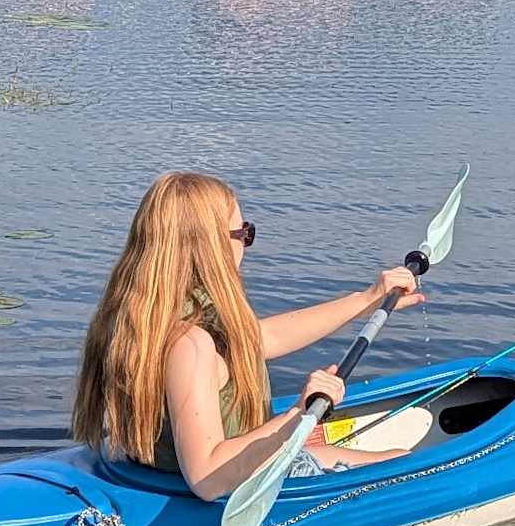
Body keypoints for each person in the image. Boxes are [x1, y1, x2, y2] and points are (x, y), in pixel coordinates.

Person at [71, 171, 424, 494]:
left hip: (158, 472)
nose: (246, 242)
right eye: (244, 233)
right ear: (211, 245)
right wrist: (298, 413)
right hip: (224, 489)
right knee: (403, 460)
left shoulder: (141, 320)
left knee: (353, 450)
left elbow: (262, 338)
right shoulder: (190, 345)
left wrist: (367, 299)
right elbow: (207, 479)